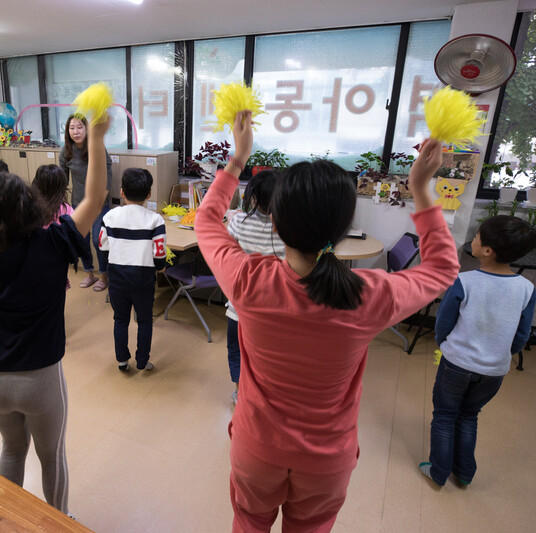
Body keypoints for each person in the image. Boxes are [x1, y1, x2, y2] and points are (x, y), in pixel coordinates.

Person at [195, 110, 459, 533]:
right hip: (326, 460)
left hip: (256, 448)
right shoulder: (370, 294)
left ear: (277, 225)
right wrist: (421, 190)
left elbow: (207, 220)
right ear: (342, 229)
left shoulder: (248, 280)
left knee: (248, 523)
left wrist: (237, 160)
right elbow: (444, 269)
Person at [0, 115, 110, 515]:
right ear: (27, 206)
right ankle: (58, 521)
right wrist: (95, 137)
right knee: (52, 456)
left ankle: (7, 519)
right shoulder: (52, 245)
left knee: (12, 449)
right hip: (40, 380)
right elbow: (93, 200)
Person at [420, 215, 536, 488]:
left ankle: (438, 472)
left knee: (445, 416)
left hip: (456, 364)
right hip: (494, 371)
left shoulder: (465, 281)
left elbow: (444, 322)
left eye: (477, 236)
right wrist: (503, 355)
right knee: (469, 416)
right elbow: (522, 334)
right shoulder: (527, 289)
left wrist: (444, 345)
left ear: (487, 250)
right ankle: (464, 473)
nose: (473, 239)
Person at [224, 169, 285, 405]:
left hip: (240, 306)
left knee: (236, 350)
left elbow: (229, 247)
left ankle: (240, 392)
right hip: (274, 309)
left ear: (254, 197)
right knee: (267, 355)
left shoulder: (239, 221)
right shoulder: (288, 229)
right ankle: (265, 393)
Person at [99, 168, 166, 372]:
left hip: (117, 276)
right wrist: (160, 269)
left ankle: (122, 360)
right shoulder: (155, 220)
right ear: (148, 194)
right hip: (143, 278)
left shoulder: (110, 216)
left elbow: (102, 245)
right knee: (145, 320)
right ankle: (143, 360)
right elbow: (160, 253)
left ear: (121, 192)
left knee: (120, 319)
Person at [59, 113, 113, 292]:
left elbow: (108, 171)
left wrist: (101, 197)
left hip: (98, 204)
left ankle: (104, 276)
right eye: (72, 128)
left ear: (87, 129)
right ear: (68, 131)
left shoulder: (95, 147)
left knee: (99, 240)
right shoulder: (66, 150)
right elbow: (62, 179)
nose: (76, 131)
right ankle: (89, 274)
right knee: (81, 241)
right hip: (78, 204)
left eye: (80, 127)